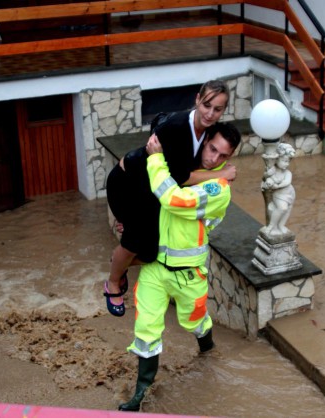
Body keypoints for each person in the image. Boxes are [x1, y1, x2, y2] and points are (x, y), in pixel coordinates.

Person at [118, 121, 241, 412]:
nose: (214, 158)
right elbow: (150, 197)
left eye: (223, 156)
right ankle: (139, 395)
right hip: (156, 269)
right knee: (146, 331)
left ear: (230, 158)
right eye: (211, 148)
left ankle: (207, 348)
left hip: (189, 275)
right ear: (204, 141)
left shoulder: (219, 187)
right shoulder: (183, 168)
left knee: (195, 322)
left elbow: (173, 200)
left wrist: (156, 158)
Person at [104, 80, 236, 317]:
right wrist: (221, 174)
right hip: (128, 183)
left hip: (151, 190)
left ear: (223, 111)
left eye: (217, 109)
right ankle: (113, 282)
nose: (210, 113)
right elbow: (179, 176)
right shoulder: (178, 126)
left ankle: (119, 262)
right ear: (197, 99)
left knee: (152, 252)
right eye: (207, 105)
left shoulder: (208, 132)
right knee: (135, 241)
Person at [261, 143, 296, 237]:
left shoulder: (288, 173)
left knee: (288, 209)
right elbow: (265, 179)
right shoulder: (272, 171)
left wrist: (277, 185)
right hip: (278, 194)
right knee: (282, 208)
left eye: (288, 161)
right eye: (284, 161)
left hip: (289, 193)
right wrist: (268, 178)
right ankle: (271, 226)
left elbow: (287, 182)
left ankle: (281, 225)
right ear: (276, 159)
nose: (287, 164)